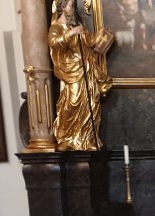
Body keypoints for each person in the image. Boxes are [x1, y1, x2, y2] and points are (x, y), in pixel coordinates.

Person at [48, 0, 113, 151]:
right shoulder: (56, 27)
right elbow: (53, 43)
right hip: (72, 72)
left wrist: (102, 35)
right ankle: (67, 137)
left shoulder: (77, 25)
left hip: (86, 70)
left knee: (90, 103)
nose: (74, 9)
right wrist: (70, 34)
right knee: (72, 102)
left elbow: (89, 40)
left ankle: (87, 139)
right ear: (62, 7)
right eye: (71, 6)